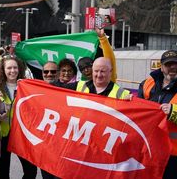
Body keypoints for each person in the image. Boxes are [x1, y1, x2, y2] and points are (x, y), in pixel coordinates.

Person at [0, 55, 37, 179]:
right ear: (3, 70)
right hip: (4, 135)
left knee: (31, 171)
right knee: (3, 172)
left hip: (22, 135)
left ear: (19, 69)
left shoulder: (27, 86)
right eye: (9, 68)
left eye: (15, 68)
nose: (12, 71)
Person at [138, 50, 177, 179]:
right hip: (149, 148)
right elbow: (138, 111)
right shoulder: (147, 84)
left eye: (176, 64)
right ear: (161, 67)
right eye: (169, 64)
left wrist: (173, 112)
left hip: (173, 154)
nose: (173, 67)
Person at [58, 57, 130, 99]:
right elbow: (57, 87)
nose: (99, 75)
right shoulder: (80, 86)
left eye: (103, 71)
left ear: (110, 72)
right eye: (96, 71)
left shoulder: (123, 94)